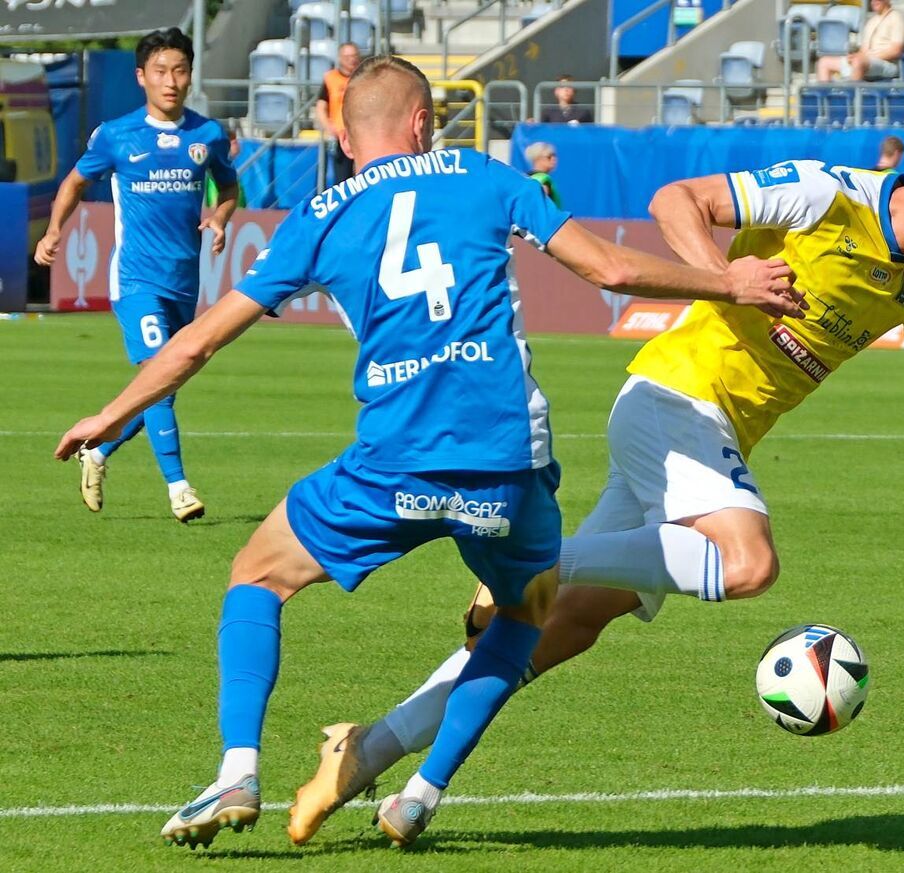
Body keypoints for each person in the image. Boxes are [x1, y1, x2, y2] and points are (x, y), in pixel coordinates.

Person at [53, 55, 802, 851]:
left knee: (258, 573)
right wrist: (732, 284)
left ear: (348, 136)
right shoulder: (484, 175)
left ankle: (239, 768)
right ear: (420, 125)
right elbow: (611, 268)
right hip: (505, 468)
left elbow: (198, 342)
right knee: (523, 612)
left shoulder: (320, 215)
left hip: (393, 464)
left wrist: (112, 411)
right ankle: (421, 793)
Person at [285, 135, 904, 845]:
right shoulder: (828, 196)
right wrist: (724, 277)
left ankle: (376, 759)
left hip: (709, 437)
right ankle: (537, 560)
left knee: (559, 631)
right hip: (676, 398)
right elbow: (678, 198)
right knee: (746, 563)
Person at [35, 27, 238, 523]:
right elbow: (74, 182)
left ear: (190, 76)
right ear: (142, 77)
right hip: (135, 280)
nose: (172, 81)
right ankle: (179, 489)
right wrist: (53, 230)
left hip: (184, 281)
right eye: (162, 72)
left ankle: (98, 452)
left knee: (160, 384)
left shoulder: (207, 135)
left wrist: (219, 218)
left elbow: (229, 187)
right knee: (158, 380)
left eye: (181, 71)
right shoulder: (117, 135)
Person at [816, 0, 904, 83]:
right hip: (867, 61)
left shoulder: (896, 17)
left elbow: (896, 51)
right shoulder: (871, 21)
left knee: (858, 61)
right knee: (824, 62)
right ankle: (825, 98)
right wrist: (854, 56)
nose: (874, 2)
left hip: (887, 63)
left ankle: (852, 96)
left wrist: (867, 57)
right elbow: (863, 50)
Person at [315, 42, 361, 184]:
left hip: (361, 134)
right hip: (340, 135)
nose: (351, 60)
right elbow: (321, 106)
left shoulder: (364, 78)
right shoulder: (330, 78)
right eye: (347, 57)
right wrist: (329, 126)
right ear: (340, 58)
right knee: (342, 178)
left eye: (354, 56)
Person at [205, 124, 247, 208]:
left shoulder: (232, 165)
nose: (237, 143)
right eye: (233, 141)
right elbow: (214, 203)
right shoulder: (217, 169)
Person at [525, 141, 562, 207]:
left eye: (554, 156)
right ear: (537, 158)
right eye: (549, 156)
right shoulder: (542, 179)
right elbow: (540, 206)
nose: (554, 159)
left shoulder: (527, 177)